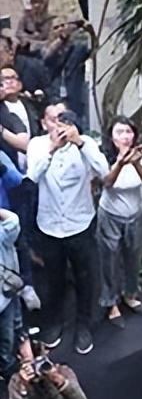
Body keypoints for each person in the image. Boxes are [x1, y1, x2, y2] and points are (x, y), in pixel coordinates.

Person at [27, 103, 109, 355]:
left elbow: (105, 173)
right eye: (54, 120)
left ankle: (84, 325)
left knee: (86, 279)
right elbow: (32, 176)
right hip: (50, 225)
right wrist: (53, 148)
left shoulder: (86, 143)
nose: (59, 126)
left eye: (65, 120)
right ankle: (55, 322)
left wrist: (81, 144)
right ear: (44, 123)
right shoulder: (37, 145)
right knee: (54, 279)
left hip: (80, 223)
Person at [97, 116, 142, 329]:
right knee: (109, 259)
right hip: (110, 215)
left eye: (129, 132)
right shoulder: (103, 156)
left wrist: (135, 160)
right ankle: (111, 303)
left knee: (133, 257)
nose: (125, 137)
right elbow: (107, 181)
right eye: (120, 132)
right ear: (111, 136)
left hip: (136, 215)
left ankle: (130, 294)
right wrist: (120, 162)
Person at [0, 64, 44, 311]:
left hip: (9, 183)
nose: (6, 84)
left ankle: (25, 285)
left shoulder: (9, 113)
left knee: (17, 235)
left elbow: (25, 142)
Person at [16, 0, 90, 126]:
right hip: (38, 69)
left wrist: (60, 37)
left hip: (57, 73)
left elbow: (50, 49)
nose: (37, 6)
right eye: (34, 2)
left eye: (40, 2)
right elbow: (24, 39)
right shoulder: (26, 19)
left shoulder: (52, 22)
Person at [0, 207, 23, 379]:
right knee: (6, 337)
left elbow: (12, 221)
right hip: (4, 299)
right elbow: (13, 220)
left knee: (11, 332)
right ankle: (6, 366)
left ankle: (8, 362)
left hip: (7, 295)